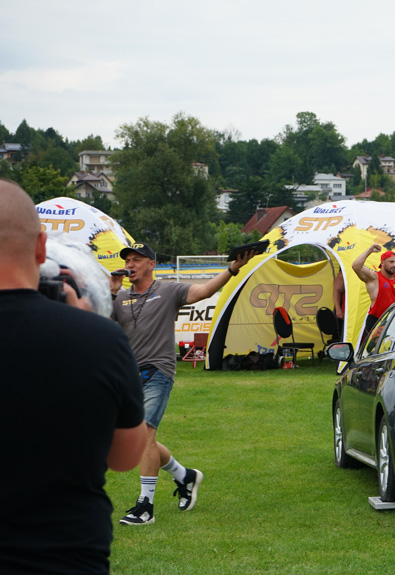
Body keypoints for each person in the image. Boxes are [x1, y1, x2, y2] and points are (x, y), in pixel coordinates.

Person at [0, 179, 146, 574]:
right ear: (41, 247)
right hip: (65, 558)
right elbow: (125, 456)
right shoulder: (99, 340)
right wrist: (87, 332)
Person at [110, 241, 255, 525]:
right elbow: (98, 324)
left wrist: (232, 269)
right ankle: (184, 476)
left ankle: (145, 507)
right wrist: (111, 291)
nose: (130, 264)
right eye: (128, 260)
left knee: (146, 434)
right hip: (128, 375)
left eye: (137, 259)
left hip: (158, 371)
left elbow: (204, 291)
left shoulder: (168, 290)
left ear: (151, 264)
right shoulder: (120, 298)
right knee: (138, 439)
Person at [352, 245, 395, 342]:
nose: (394, 265)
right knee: (372, 353)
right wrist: (369, 250)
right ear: (382, 262)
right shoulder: (374, 278)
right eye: (391, 262)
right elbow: (356, 266)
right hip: (376, 321)